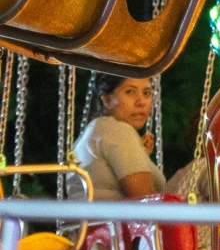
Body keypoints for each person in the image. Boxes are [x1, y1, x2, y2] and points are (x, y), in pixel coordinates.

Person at [70, 72, 165, 201]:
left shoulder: (97, 129)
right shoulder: (119, 130)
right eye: (130, 92)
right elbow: (145, 200)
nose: (141, 102)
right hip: (108, 219)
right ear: (107, 100)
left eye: (147, 93)